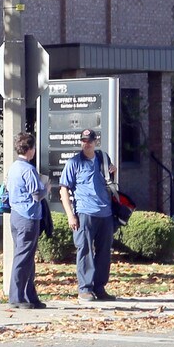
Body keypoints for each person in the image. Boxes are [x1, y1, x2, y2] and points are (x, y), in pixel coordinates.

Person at [60, 127, 118, 302]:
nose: (86, 144)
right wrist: (71, 215)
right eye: (83, 141)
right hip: (84, 212)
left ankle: (99, 288)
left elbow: (110, 181)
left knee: (104, 252)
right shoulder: (73, 163)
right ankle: (84, 289)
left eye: (90, 141)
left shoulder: (103, 158)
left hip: (105, 213)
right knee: (84, 251)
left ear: (95, 142)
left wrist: (112, 172)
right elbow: (64, 190)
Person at [3, 132, 48, 309]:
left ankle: (30, 296)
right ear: (29, 150)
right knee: (23, 257)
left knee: (27, 257)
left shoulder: (13, 167)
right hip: (28, 216)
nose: (35, 151)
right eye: (34, 148)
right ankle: (16, 297)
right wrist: (47, 187)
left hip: (15, 216)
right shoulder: (28, 170)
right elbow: (37, 194)